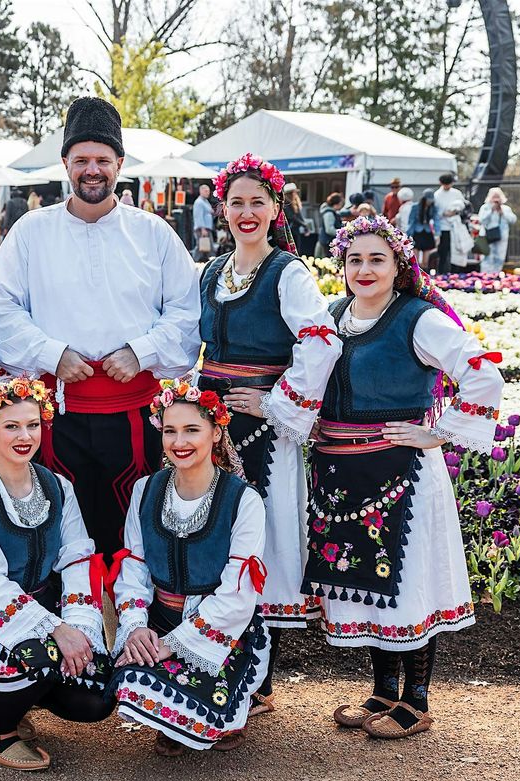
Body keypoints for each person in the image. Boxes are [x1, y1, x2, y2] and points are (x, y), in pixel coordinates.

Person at [308, 215, 503, 739]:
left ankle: (415, 700)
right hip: (343, 474)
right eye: (355, 260)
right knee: (369, 584)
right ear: (341, 266)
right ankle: (383, 690)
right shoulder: (331, 316)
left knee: (407, 580)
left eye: (377, 259)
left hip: (403, 473)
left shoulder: (418, 319)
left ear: (399, 264)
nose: (364, 269)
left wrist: (440, 432)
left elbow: (482, 369)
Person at [0, 96, 201, 563]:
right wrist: (50, 353)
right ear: (65, 163)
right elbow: (0, 307)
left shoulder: (154, 233)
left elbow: (185, 310)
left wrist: (141, 351)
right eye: (81, 159)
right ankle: (68, 624)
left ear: (120, 163)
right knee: (60, 525)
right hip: (53, 414)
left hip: (134, 412)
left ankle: (129, 622)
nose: (92, 170)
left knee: (130, 527)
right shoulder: (30, 231)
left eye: (103, 159)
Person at [195, 153, 341, 713]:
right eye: (237, 202)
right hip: (213, 426)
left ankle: (261, 679)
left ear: (276, 208)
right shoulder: (211, 272)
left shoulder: (288, 273)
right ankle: (218, 660)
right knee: (217, 534)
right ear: (222, 209)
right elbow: (192, 345)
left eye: (258, 201)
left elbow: (321, 340)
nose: (246, 212)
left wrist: (276, 400)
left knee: (265, 540)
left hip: (264, 427)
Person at [0, 374, 113, 771]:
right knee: (42, 657)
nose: (23, 435)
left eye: (32, 425)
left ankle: (25, 693)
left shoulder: (58, 486)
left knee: (97, 698)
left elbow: (78, 559)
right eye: (11, 426)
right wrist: (56, 630)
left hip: (46, 611)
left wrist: (78, 626)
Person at [108, 378, 269, 754]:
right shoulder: (145, 489)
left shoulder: (243, 500)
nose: (179, 442)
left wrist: (175, 645)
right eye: (170, 431)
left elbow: (238, 592)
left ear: (216, 433)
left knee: (208, 710)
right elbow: (133, 566)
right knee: (127, 682)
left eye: (192, 430)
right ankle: (174, 720)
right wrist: (135, 629)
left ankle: (216, 716)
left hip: (221, 632)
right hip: (159, 619)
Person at [433, 174, 469, 273]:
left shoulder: (457, 193)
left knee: (457, 251)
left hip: (456, 227)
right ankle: (441, 274)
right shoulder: (437, 195)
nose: (447, 186)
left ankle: (456, 273)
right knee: (443, 252)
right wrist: (444, 213)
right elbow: (436, 212)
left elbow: (463, 206)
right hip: (443, 227)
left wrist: (455, 212)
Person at [477, 187, 517, 273]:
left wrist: (502, 213)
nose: (495, 199)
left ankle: (496, 274)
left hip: (501, 237)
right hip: (486, 237)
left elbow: (513, 220)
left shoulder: (506, 209)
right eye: (493, 197)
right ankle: (485, 275)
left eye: (497, 197)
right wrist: (491, 211)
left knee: (499, 257)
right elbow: (481, 220)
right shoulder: (485, 208)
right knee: (486, 258)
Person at [192, 183, 215, 261]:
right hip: (202, 229)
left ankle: (211, 261)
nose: (207, 192)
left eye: (208, 191)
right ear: (201, 191)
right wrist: (202, 229)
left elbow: (209, 211)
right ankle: (193, 261)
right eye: (205, 191)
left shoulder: (205, 201)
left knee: (205, 247)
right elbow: (198, 216)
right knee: (201, 247)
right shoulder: (199, 202)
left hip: (206, 228)